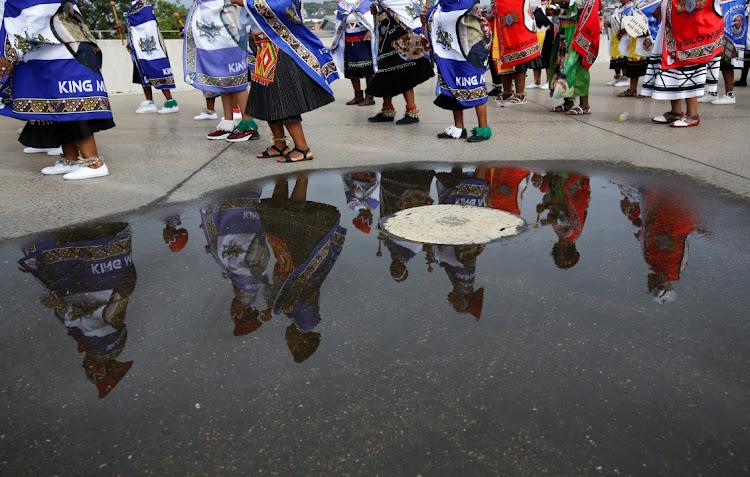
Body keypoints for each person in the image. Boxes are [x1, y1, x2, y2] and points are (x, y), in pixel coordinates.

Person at [18, 223, 137, 399]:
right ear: (98, 370)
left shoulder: (114, 345)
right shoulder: (99, 348)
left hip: (110, 278)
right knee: (39, 247)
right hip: (92, 284)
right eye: (88, 371)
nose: (84, 367)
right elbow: (82, 318)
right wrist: (60, 306)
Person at [0, 0, 113, 180]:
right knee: (57, 105)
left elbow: (36, 12)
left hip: (63, 49)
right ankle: (70, 159)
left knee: (71, 103)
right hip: (49, 50)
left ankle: (94, 163)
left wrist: (7, 53)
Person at [233, 0, 338, 162]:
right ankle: (279, 145)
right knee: (268, 100)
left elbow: (279, 6)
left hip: (281, 46)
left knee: (285, 101)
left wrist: (244, 1)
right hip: (263, 48)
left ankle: (302, 148)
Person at [256, 177, 347, 362]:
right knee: (291, 218)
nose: (287, 339)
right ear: (303, 341)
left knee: (278, 215)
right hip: (298, 260)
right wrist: (273, 311)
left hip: (288, 263)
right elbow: (301, 301)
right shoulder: (306, 323)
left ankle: (283, 175)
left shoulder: (296, 320)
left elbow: (285, 298)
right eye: (291, 344)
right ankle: (301, 172)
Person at [184, 0, 259, 141]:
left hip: (230, 31)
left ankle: (248, 126)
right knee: (223, 80)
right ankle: (228, 124)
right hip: (216, 34)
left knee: (238, 80)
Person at [641, 0, 724, 127]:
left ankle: (692, 115)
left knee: (690, 67)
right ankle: (675, 112)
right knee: (671, 67)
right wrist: (664, 6)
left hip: (692, 30)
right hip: (672, 27)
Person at [201, 191, 271, 336]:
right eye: (233, 315)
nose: (231, 310)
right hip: (239, 231)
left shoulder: (249, 290)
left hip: (252, 229)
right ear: (240, 313)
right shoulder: (245, 293)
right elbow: (241, 268)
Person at [425, 0, 493, 141]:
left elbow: (464, 17)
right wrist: (429, 14)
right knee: (452, 85)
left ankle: (483, 129)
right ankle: (458, 127)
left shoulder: (466, 2)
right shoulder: (442, 5)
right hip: (450, 52)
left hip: (471, 49)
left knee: (475, 85)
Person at [365, 0, 435, 124]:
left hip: (400, 33)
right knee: (384, 72)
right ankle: (387, 110)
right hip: (385, 35)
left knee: (403, 72)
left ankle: (412, 112)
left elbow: (402, 5)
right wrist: (376, 7)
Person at [122, 0, 179, 114]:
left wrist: (138, 43)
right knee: (142, 75)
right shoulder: (134, 6)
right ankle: (150, 102)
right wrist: (124, 30)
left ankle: (171, 102)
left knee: (156, 71)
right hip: (138, 50)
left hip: (149, 50)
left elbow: (148, 28)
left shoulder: (145, 6)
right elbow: (134, 28)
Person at [547, 0, 602, 115]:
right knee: (562, 69)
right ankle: (568, 102)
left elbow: (585, 14)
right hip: (564, 36)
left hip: (578, 37)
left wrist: (563, 2)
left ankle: (585, 105)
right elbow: (564, 9)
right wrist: (554, 10)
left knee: (579, 70)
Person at [492, 0, 543, 105]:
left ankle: (520, 95)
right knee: (503, 55)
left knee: (519, 52)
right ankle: (507, 93)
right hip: (501, 12)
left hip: (517, 10)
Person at [331, 0, 377, 106]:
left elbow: (373, 19)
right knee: (351, 69)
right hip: (348, 39)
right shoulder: (342, 5)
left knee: (368, 68)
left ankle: (369, 96)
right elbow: (339, 23)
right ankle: (357, 96)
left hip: (364, 40)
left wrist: (371, 30)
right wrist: (335, 42)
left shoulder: (367, 3)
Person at [705, 0, 747, 104]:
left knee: (726, 64)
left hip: (727, 35)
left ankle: (730, 94)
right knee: (712, 62)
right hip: (716, 31)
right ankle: (711, 93)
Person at [615, 0, 659, 98]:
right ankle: (632, 90)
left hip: (648, 39)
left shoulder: (655, 2)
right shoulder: (637, 4)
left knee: (650, 66)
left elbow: (653, 20)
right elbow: (632, 21)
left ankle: (648, 92)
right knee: (633, 65)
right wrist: (623, 31)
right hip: (635, 39)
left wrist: (648, 37)